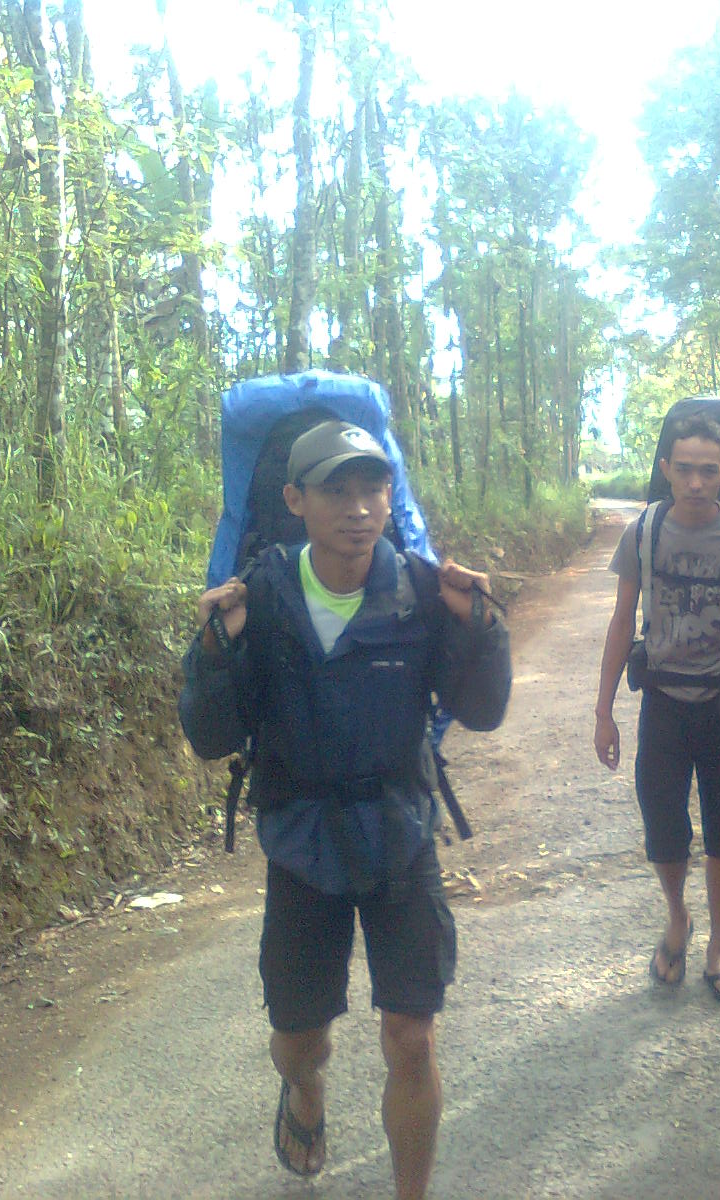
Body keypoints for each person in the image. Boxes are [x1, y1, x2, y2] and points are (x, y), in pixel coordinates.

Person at [179, 419, 510, 1198]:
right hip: (302, 841)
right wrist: (213, 653)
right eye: (336, 489)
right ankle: (303, 1088)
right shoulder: (257, 598)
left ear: (391, 497)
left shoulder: (426, 593)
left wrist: (483, 628)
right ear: (295, 499)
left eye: (373, 487)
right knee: (300, 1041)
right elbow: (210, 736)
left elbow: (483, 710)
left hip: (401, 833)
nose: (359, 507)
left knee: (412, 1039)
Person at [593, 414, 720, 1003]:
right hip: (662, 701)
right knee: (663, 828)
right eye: (684, 469)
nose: (696, 482)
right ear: (666, 470)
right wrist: (603, 710)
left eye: (709, 471)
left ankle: (717, 948)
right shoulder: (645, 532)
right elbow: (621, 619)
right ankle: (677, 917)